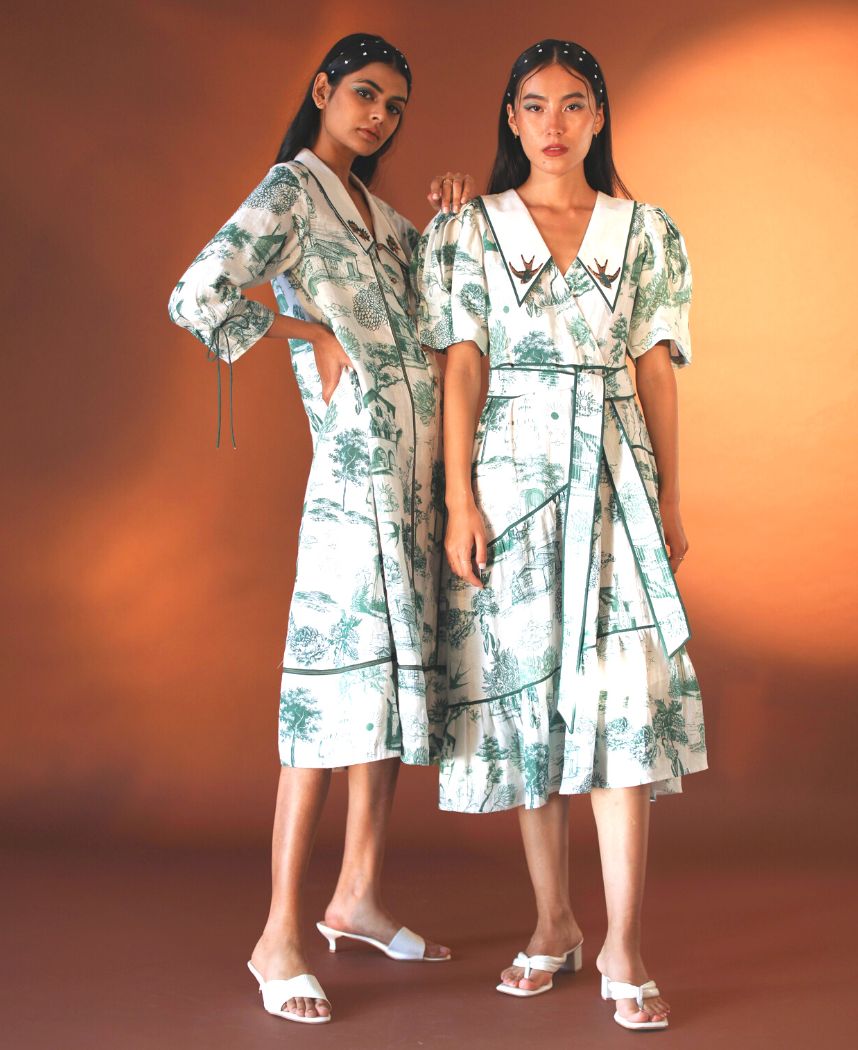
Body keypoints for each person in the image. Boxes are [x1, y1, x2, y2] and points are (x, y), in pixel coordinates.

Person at [169, 33, 473, 1025]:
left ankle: (359, 895)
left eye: (395, 105)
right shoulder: (290, 194)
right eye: (365, 94)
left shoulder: (385, 222)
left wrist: (453, 221)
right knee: (324, 705)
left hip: (416, 491)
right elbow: (198, 293)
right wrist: (309, 335)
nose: (380, 116)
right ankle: (277, 935)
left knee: (383, 698)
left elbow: (448, 311)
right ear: (323, 90)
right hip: (352, 489)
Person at [414, 38, 707, 1032]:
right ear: (510, 117)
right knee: (529, 701)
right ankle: (553, 921)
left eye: (573, 104)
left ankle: (625, 942)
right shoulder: (475, 228)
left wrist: (670, 499)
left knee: (624, 702)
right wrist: (460, 499)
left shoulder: (644, 230)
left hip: (618, 483)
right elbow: (462, 365)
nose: (553, 123)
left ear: (597, 117)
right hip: (513, 485)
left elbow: (656, 368)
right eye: (534, 105)